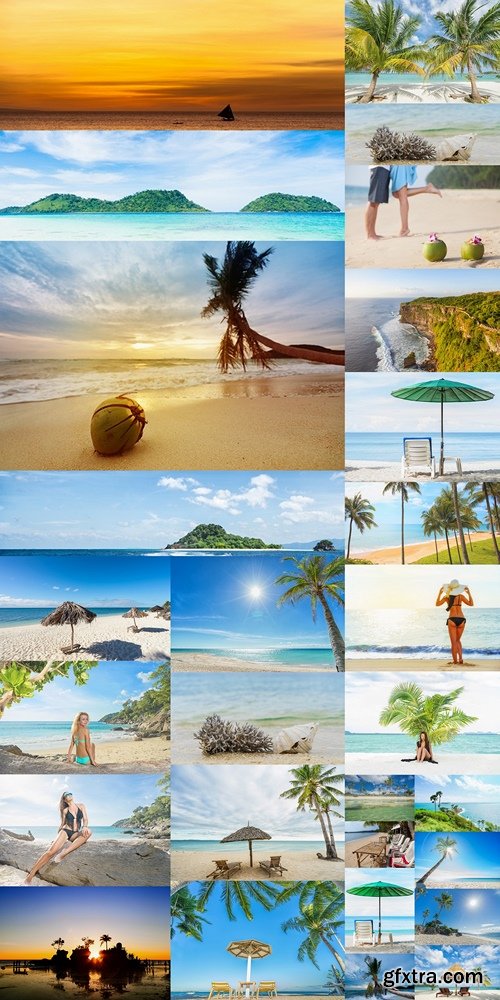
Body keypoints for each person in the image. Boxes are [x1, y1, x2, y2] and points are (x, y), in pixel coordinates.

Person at [24, 791, 91, 884]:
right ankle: (31, 874)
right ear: (64, 799)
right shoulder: (65, 810)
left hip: (75, 834)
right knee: (50, 852)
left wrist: (84, 827)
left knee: (89, 833)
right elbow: (62, 824)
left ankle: (64, 853)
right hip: (65, 832)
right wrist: (56, 838)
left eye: (70, 793)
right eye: (66, 795)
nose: (69, 795)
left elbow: (86, 819)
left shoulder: (81, 806)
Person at [389, 165, 442, 237]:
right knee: (396, 193)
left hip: (400, 164)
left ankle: (404, 228)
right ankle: (427, 189)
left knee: (402, 196)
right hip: (398, 163)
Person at [436, 579, 474, 665]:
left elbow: (437, 604)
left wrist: (439, 593)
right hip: (461, 619)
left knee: (453, 642)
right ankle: (460, 659)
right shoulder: (461, 597)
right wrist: (469, 593)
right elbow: (471, 604)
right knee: (458, 640)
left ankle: (455, 661)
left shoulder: (447, 597)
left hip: (452, 619)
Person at [365, 165, 390, 240]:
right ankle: (370, 234)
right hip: (379, 167)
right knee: (373, 201)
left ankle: (372, 233)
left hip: (384, 168)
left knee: (376, 202)